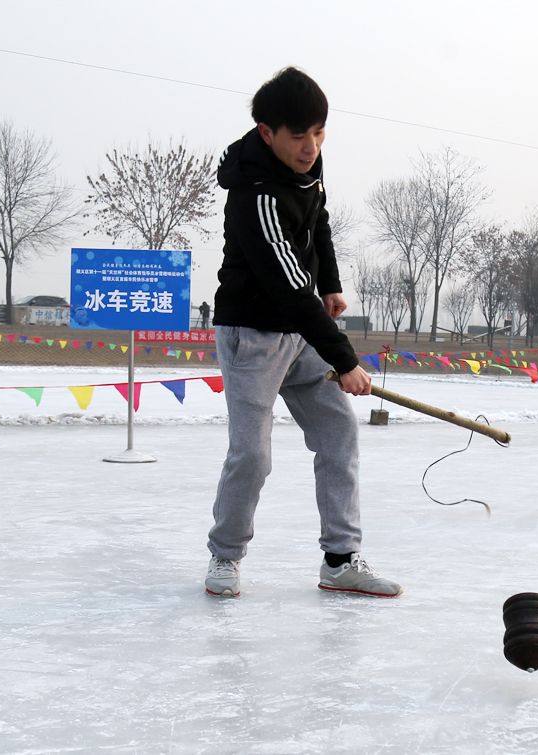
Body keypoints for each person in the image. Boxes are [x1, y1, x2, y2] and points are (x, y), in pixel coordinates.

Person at [204, 67, 401, 598]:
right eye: (299, 135)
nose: (311, 147)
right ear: (267, 133)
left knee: (339, 436)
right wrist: (344, 360)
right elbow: (291, 291)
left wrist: (331, 283)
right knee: (253, 455)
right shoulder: (258, 194)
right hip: (254, 338)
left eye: (319, 133)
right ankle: (224, 557)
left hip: (300, 334)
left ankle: (340, 559)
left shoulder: (304, 167)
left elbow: (319, 222)